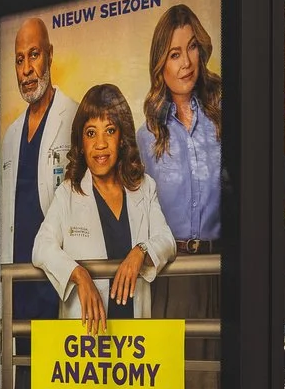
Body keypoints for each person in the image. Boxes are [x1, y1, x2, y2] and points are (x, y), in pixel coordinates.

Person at [33, 83, 177, 330]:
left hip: (134, 342)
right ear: (81, 141)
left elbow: (167, 240)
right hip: (86, 343)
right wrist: (79, 275)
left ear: (122, 138)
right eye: (91, 133)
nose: (100, 144)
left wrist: (140, 252)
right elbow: (41, 247)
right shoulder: (68, 194)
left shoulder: (144, 187)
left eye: (109, 131)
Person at [0, 17, 75, 325]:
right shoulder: (11, 135)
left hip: (56, 281)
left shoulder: (75, 116)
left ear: (50, 55)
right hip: (16, 281)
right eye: (19, 60)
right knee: (19, 370)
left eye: (34, 54)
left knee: (54, 370)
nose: (27, 69)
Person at [139, 4, 222, 248]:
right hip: (169, 267)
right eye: (175, 54)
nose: (186, 62)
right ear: (160, 63)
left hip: (222, 263)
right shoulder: (146, 137)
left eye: (192, 47)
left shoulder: (222, 115)